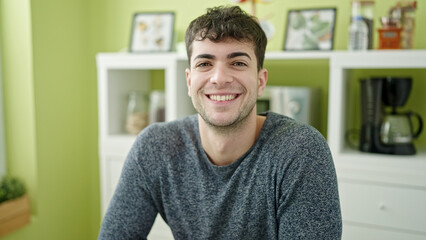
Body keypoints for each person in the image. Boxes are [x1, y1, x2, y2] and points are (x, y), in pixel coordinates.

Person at [98, 5, 342, 239]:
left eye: (237, 63)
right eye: (205, 64)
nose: (219, 78)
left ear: (260, 81)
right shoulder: (155, 148)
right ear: (189, 80)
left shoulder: (301, 151)